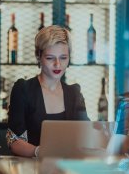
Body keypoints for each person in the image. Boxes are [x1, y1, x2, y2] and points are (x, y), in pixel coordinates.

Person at [6, 25, 89, 158]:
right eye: (50, 58)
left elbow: (86, 135)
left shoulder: (74, 93)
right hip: (31, 170)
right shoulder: (23, 90)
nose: (57, 64)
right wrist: (39, 152)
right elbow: (14, 141)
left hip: (67, 171)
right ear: (38, 56)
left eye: (63, 58)